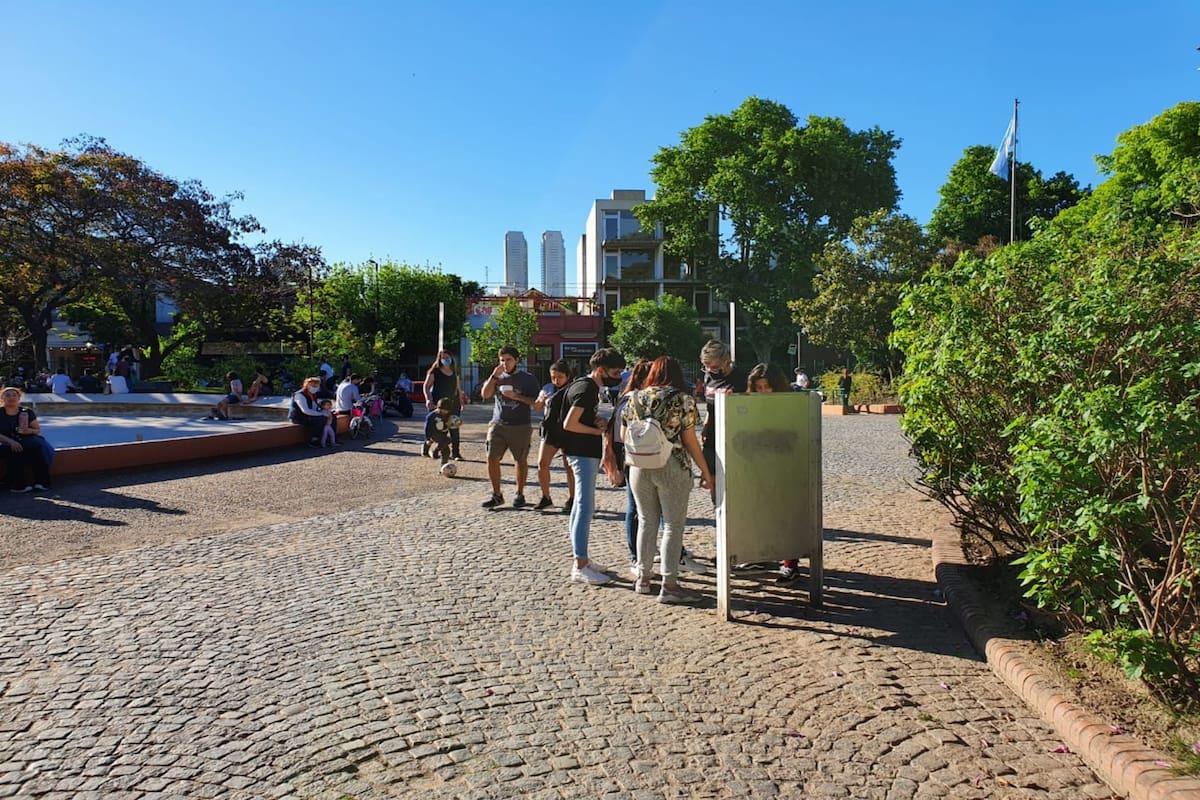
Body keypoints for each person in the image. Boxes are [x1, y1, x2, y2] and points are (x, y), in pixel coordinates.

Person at [624, 356, 714, 604]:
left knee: (645, 521)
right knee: (673, 526)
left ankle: (642, 579)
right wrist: (705, 471)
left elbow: (624, 434)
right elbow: (690, 441)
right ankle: (670, 585)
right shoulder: (682, 399)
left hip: (638, 467)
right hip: (671, 464)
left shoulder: (635, 397)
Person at [560, 347, 626, 585]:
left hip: (579, 451)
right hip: (582, 452)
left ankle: (582, 560)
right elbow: (570, 423)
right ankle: (580, 564)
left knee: (580, 506)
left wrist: (594, 421)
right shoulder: (588, 389)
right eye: (615, 371)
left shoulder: (583, 385)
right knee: (585, 507)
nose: (618, 376)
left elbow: (576, 418)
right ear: (601, 370)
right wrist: (596, 430)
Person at [746, 363, 806, 584]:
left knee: (786, 515)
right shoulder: (750, 404)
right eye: (758, 387)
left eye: (767, 387)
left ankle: (790, 563)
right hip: (759, 466)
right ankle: (761, 554)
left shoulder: (790, 404)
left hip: (785, 466)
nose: (763, 392)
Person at [479, 346, 542, 509]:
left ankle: (519, 494)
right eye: (502, 360)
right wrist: (493, 376)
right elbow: (485, 395)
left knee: (520, 461)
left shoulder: (528, 379)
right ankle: (497, 495)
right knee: (492, 458)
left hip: (520, 425)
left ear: (516, 361)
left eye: (508, 359)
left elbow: (536, 404)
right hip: (498, 423)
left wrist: (517, 396)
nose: (505, 363)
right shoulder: (497, 377)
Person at [699, 340, 748, 481]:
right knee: (712, 483)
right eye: (705, 367)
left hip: (735, 440)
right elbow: (710, 406)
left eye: (714, 367)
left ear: (728, 361)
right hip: (711, 439)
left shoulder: (741, 379)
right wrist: (706, 426)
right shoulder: (708, 377)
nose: (709, 371)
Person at [532, 360, 575, 512]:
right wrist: (541, 400)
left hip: (568, 430)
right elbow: (536, 408)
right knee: (542, 463)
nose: (556, 380)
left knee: (569, 467)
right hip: (550, 429)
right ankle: (546, 497)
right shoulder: (547, 388)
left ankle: (572, 498)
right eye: (553, 377)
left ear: (568, 376)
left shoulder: (573, 389)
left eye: (560, 377)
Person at [0, 386, 54, 493]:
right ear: (2, 398)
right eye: (8, 395)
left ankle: (42, 483)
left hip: (25, 441)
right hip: (5, 443)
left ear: (19, 397)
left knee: (37, 450)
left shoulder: (27, 412)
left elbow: (37, 430)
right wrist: (11, 442)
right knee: (14, 451)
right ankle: (18, 485)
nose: (11, 397)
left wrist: (27, 431)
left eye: (14, 395)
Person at [423, 350, 467, 460]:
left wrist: (461, 401)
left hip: (453, 404)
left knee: (454, 428)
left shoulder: (455, 371)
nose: (446, 359)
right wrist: (428, 400)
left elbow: (458, 388)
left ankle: (455, 453)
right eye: (443, 357)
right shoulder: (435, 371)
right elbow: (426, 386)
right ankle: (428, 446)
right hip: (439, 405)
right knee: (439, 429)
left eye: (448, 357)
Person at [289, 377, 327, 447]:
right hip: (298, 417)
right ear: (307, 385)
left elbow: (315, 408)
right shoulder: (299, 395)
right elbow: (305, 410)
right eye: (313, 386)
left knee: (331, 416)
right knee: (319, 419)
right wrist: (321, 414)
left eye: (316, 386)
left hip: (308, 415)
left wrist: (325, 411)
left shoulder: (313, 395)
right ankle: (312, 440)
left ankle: (326, 438)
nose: (315, 388)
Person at [424, 397, 461, 465]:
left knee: (447, 441)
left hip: (442, 434)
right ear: (438, 408)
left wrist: (457, 423)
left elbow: (453, 423)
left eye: (446, 410)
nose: (445, 412)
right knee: (446, 448)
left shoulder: (449, 415)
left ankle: (437, 453)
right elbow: (427, 427)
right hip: (433, 433)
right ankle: (428, 451)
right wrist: (428, 438)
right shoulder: (432, 416)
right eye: (442, 410)